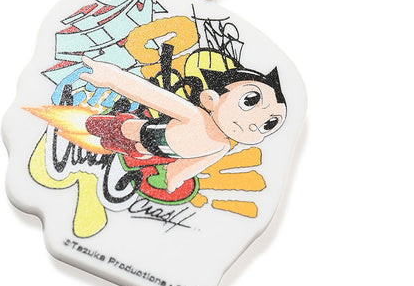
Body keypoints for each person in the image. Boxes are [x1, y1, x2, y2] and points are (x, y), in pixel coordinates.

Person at [81, 52, 287, 193]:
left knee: (136, 150)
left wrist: (175, 177)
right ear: (210, 99)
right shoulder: (195, 115)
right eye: (250, 100)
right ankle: (94, 126)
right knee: (125, 130)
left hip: (155, 151)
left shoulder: (222, 147)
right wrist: (113, 78)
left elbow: (193, 164)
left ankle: (105, 144)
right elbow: (152, 96)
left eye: (269, 124)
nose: (253, 124)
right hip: (145, 131)